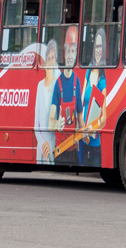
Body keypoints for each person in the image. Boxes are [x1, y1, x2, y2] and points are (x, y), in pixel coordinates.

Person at [51, 26, 82, 164]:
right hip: (60, 150)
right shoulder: (58, 84)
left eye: (73, 51)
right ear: (64, 52)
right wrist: (57, 123)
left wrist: (85, 134)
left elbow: (80, 119)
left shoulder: (77, 82)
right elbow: (50, 120)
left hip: (74, 149)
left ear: (76, 54)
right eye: (68, 51)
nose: (70, 56)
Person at [78, 28, 107, 167]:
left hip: (94, 142)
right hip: (82, 139)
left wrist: (91, 127)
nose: (97, 50)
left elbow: (104, 118)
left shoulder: (102, 81)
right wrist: (82, 127)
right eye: (96, 46)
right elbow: (81, 102)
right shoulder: (89, 70)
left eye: (100, 47)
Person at [33, 40, 59, 164]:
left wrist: (49, 144)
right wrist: (43, 144)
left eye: (53, 58)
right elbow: (36, 123)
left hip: (52, 145)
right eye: (48, 58)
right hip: (41, 146)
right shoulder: (39, 86)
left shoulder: (58, 85)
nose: (50, 61)